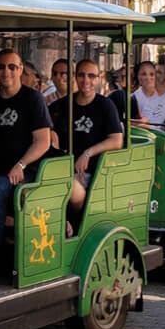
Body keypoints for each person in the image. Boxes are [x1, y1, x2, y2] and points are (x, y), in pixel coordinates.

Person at [0, 50, 52, 289]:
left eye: (12, 67)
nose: (7, 72)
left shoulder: (32, 99)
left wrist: (21, 165)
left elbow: (43, 141)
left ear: (20, 71)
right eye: (2, 67)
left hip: (25, 170)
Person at [50, 59, 123, 220]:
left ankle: (71, 225)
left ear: (98, 79)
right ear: (75, 77)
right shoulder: (60, 106)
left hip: (91, 172)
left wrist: (88, 153)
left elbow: (116, 140)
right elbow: (46, 131)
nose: (86, 80)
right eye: (82, 75)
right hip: (60, 168)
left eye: (91, 76)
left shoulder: (105, 106)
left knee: (73, 190)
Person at [132, 60, 165, 126]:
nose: (148, 78)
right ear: (138, 76)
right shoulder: (133, 98)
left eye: (151, 74)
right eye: (144, 74)